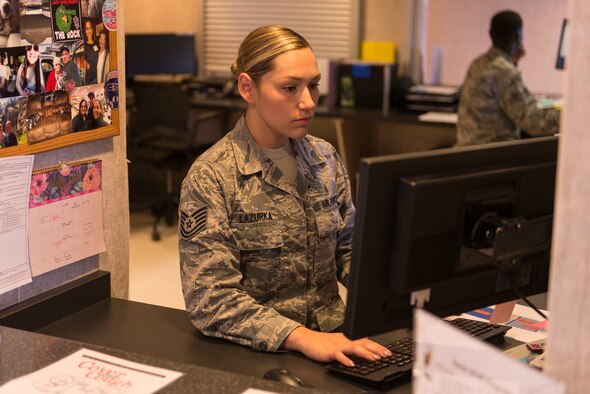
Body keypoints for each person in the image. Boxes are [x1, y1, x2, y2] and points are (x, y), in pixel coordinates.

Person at [178, 25, 390, 367]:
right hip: (262, 351)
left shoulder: (323, 158)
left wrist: (402, 296)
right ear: (248, 88)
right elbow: (210, 299)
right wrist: (303, 339)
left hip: (336, 339)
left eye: (314, 86)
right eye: (290, 88)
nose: (307, 102)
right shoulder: (212, 176)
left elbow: (350, 249)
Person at [456, 10, 560, 146]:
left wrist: (514, 61)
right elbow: (535, 123)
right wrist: (569, 115)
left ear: (490, 34)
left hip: (468, 151)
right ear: (518, 37)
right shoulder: (505, 71)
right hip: (492, 155)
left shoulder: (478, 63)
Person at [83, 19, 98, 85]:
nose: (88, 31)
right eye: (87, 28)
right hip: (89, 80)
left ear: (92, 29)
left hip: (98, 76)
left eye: (90, 28)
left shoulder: (97, 44)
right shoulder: (83, 46)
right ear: (85, 30)